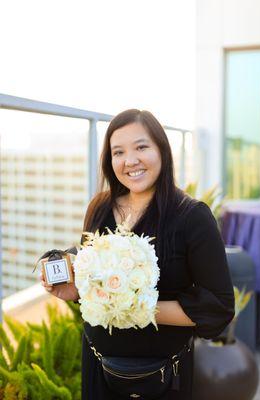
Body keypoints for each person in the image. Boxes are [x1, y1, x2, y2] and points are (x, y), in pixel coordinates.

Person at [41, 109, 235, 400]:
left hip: (163, 376)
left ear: (162, 151)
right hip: (98, 367)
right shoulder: (100, 207)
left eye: (142, 147)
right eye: (118, 152)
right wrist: (77, 288)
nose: (130, 160)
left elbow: (217, 306)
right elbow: (95, 280)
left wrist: (134, 306)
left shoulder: (192, 217)